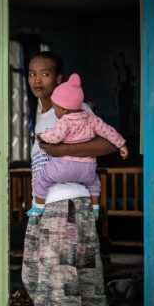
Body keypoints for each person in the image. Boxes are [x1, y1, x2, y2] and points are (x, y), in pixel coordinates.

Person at [21, 52, 118, 306]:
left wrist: (59, 150)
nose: (37, 80)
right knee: (37, 276)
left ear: (59, 77)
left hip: (68, 206)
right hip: (49, 206)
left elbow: (106, 144)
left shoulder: (75, 109)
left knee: (58, 282)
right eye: (32, 73)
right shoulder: (45, 114)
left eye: (45, 74)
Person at [27, 73, 129, 218]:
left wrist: (42, 136)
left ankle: (38, 207)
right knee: (95, 184)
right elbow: (108, 131)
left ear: (64, 109)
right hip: (87, 168)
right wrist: (122, 144)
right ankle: (95, 209)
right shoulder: (92, 119)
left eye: (55, 109)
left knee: (42, 178)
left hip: (64, 167)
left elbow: (55, 137)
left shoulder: (65, 121)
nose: (55, 112)